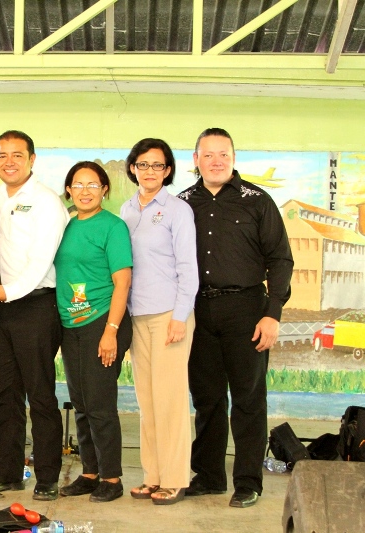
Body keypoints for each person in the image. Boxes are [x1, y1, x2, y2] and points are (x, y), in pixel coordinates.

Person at [178, 128, 294, 508]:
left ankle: (248, 482)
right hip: (197, 310)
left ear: (232, 158)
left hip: (247, 309)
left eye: (223, 154)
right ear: (196, 160)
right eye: (208, 154)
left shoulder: (257, 201)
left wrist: (271, 314)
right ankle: (208, 476)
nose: (216, 161)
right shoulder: (180, 204)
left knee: (248, 398)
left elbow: (280, 260)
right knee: (207, 399)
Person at [0, 131, 69, 502]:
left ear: (32, 159)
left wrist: (7, 292)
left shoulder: (47, 202)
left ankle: (46, 477)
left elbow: (40, 261)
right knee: (5, 395)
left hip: (35, 306)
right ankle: (7, 473)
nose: (9, 162)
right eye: (2, 155)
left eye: (17, 155)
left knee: (40, 395)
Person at [120, 139, 198, 505]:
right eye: (142, 164)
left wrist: (180, 317)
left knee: (169, 401)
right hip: (138, 315)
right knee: (147, 401)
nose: (149, 171)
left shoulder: (178, 210)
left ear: (168, 171)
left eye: (157, 165)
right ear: (132, 167)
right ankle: (153, 475)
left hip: (170, 315)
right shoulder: (126, 209)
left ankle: (176, 477)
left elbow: (188, 269)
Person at [52, 161, 132, 503]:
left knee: (100, 405)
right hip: (71, 325)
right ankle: (89, 472)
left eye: (93, 185)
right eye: (78, 185)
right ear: (68, 190)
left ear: (104, 190)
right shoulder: (64, 225)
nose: (85, 191)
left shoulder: (113, 227)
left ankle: (111, 479)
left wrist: (111, 331)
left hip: (103, 321)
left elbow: (123, 281)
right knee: (81, 404)